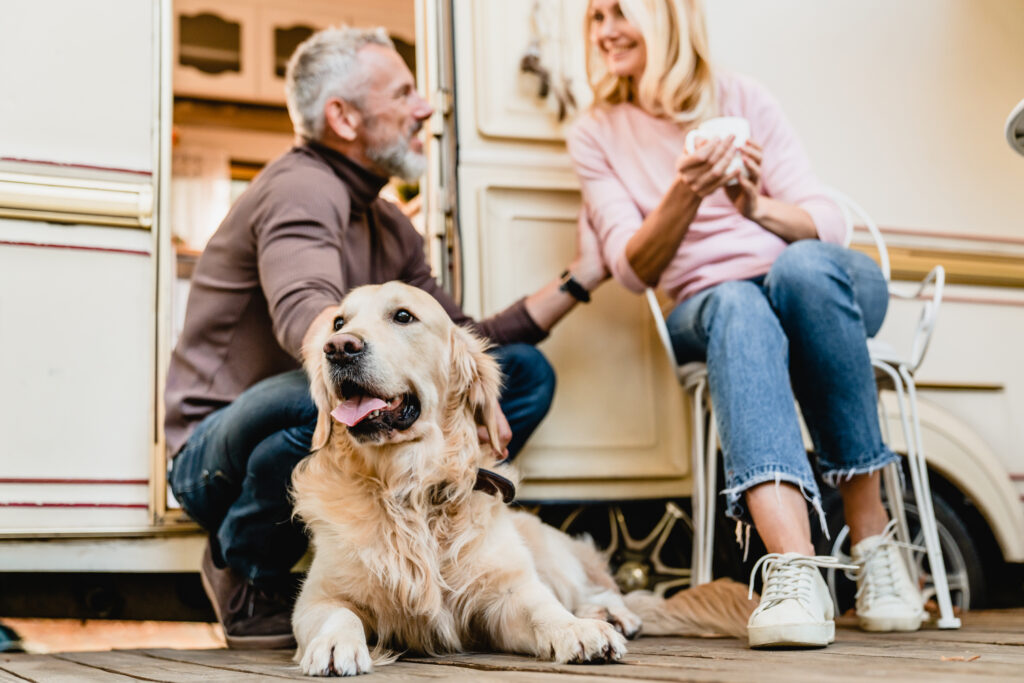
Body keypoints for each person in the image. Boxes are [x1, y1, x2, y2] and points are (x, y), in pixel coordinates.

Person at [165, 26, 608, 649]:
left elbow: (460, 337)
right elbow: (308, 318)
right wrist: (354, 353)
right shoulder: (301, 185)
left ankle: (432, 511)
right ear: (343, 117)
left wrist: (583, 275)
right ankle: (247, 566)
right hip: (214, 459)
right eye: (403, 93)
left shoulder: (387, 217)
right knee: (318, 391)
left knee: (525, 371)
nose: (425, 107)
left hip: (328, 421)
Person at [568, 0, 924, 648]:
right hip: (711, 306)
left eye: (620, 11)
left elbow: (828, 221)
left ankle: (875, 547)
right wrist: (686, 190)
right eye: (594, 18)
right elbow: (630, 266)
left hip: (815, 288)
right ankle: (792, 569)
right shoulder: (596, 130)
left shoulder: (742, 97)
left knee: (802, 271)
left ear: (665, 16)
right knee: (740, 302)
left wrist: (754, 206)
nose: (606, 30)